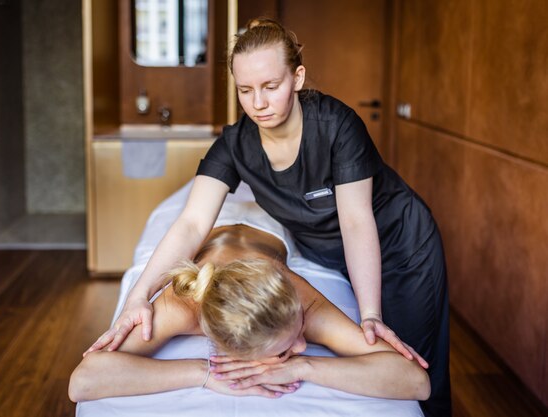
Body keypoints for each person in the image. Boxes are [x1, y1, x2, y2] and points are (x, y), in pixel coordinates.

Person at [87, 18, 450, 417]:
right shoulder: (235, 145)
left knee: (417, 360)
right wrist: (139, 297)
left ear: (297, 77)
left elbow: (356, 222)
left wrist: (369, 315)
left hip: (399, 242)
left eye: (270, 87)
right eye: (245, 90)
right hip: (329, 248)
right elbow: (192, 223)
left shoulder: (335, 126)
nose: (258, 103)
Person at [71, 224, 430, 402]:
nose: (304, 345)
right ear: (226, 344)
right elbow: (83, 381)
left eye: (300, 329)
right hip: (212, 228)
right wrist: (206, 373)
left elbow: (416, 380)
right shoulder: (182, 307)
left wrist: (302, 367)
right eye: (286, 348)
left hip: (266, 226)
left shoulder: (299, 301)